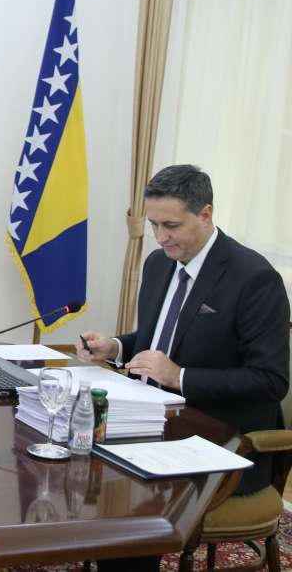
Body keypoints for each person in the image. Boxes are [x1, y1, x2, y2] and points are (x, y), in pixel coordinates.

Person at [78, 164, 290, 571]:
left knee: (128, 502)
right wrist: (116, 347)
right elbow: (162, 337)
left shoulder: (254, 278)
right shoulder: (159, 264)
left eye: (171, 225)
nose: (160, 238)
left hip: (218, 438)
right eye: (154, 225)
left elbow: (270, 380)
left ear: (205, 214)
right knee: (73, 460)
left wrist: (179, 377)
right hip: (149, 422)